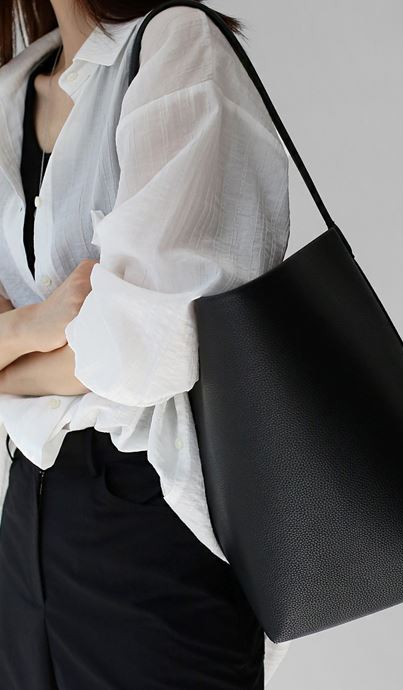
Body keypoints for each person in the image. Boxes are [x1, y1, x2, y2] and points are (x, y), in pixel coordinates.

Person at [0, 1, 292, 687]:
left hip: (146, 516)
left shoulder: (176, 46)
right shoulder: (9, 91)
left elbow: (144, 347)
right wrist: (34, 329)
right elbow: (100, 342)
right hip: (25, 523)